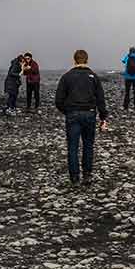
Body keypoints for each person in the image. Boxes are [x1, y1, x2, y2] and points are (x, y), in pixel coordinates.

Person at [53, 49, 109, 186]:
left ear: (75, 60)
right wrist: (103, 117)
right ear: (86, 60)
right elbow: (101, 99)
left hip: (73, 114)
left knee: (73, 146)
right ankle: (87, 175)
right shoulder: (93, 76)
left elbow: (58, 100)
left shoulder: (67, 77)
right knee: (88, 145)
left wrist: (67, 111)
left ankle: (74, 178)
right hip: (89, 113)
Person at [121, 46, 135, 111]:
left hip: (127, 77)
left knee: (127, 92)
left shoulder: (127, 57)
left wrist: (127, 55)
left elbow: (123, 61)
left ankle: (125, 106)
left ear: (129, 51)